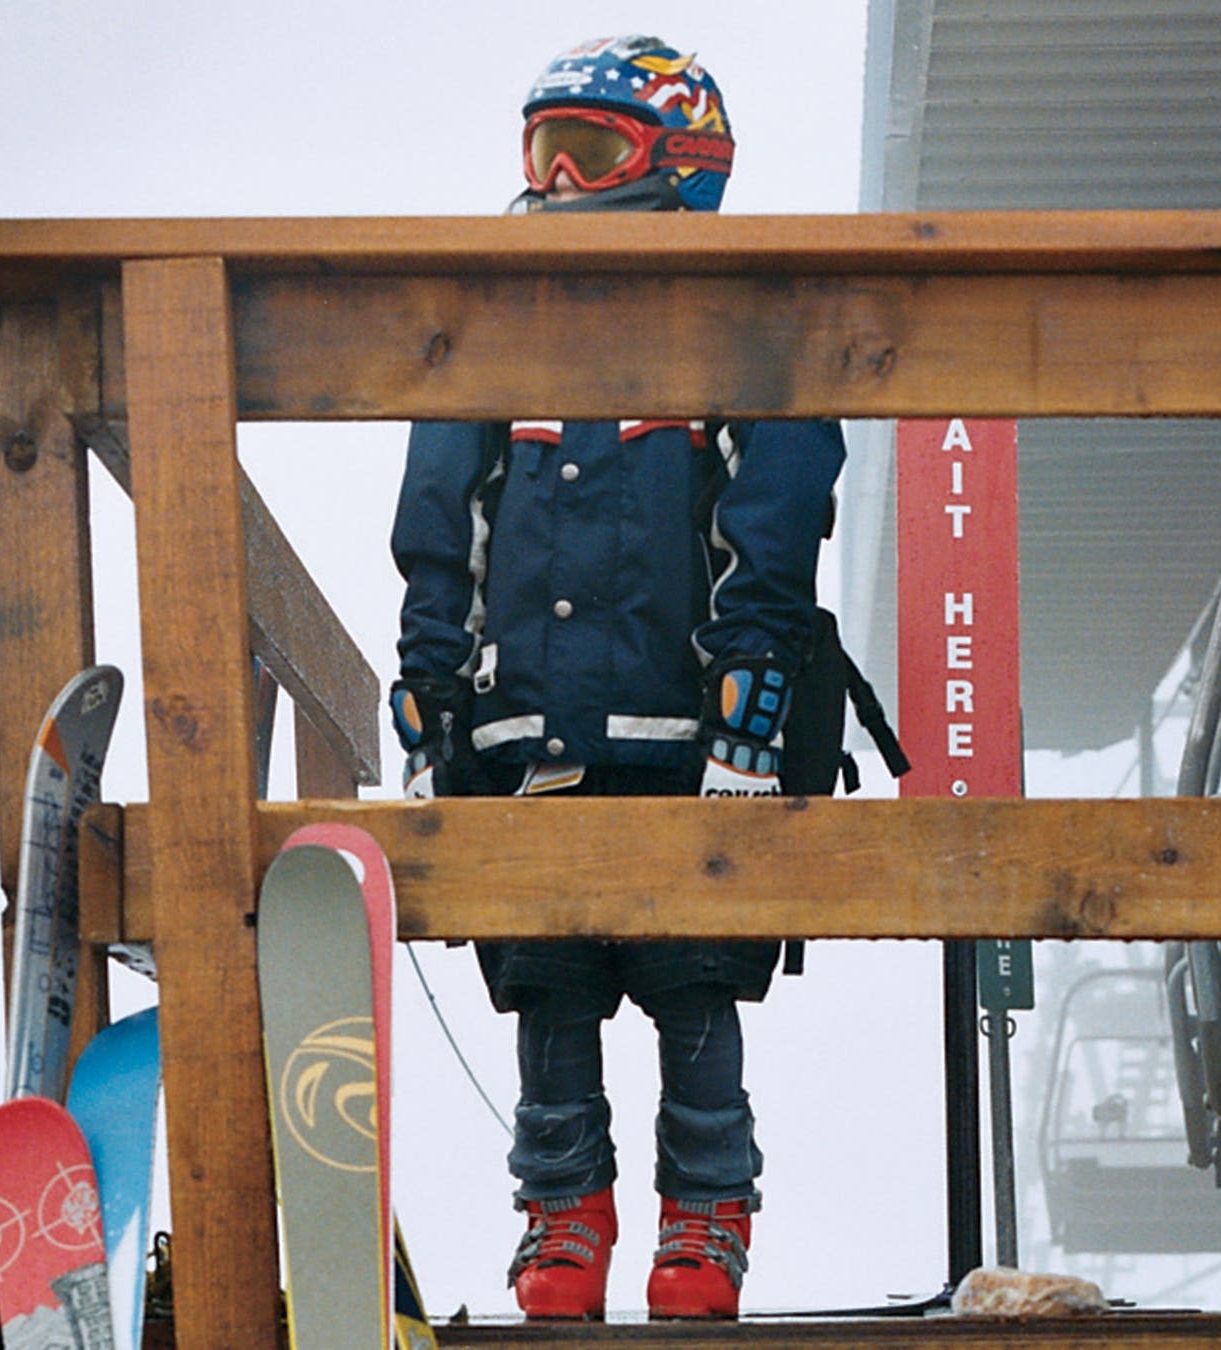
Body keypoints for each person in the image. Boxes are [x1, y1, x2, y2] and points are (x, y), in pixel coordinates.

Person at [387, 35, 845, 1322]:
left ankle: (707, 1211)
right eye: (544, 152)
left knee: (690, 970)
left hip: (682, 741)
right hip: (529, 734)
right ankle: (562, 1211)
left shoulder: (733, 331)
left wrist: (751, 708)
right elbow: (441, 524)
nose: (557, 182)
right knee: (552, 981)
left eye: (589, 152)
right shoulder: (496, 336)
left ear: (676, 163)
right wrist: (431, 698)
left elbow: (777, 516)